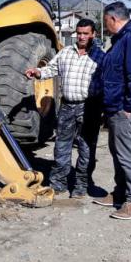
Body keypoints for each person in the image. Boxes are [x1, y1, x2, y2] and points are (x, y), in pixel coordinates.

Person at [25, 18, 104, 199]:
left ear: (93, 34)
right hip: (67, 106)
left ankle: (81, 185)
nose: (82, 37)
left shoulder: (100, 57)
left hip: (89, 107)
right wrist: (37, 72)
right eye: (80, 33)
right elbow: (51, 69)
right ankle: (58, 183)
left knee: (86, 148)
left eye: (86, 33)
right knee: (61, 146)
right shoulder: (66, 52)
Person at [93, 1, 131, 220]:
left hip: (124, 108)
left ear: (113, 19)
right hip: (114, 106)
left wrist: (129, 107)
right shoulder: (121, 39)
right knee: (118, 152)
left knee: (127, 155)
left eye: (105, 21)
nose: (104, 25)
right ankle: (119, 194)